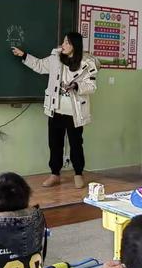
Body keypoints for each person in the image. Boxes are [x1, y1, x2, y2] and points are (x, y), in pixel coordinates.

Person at [12, 32, 99, 189]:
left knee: (76, 143)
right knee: (54, 143)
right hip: (56, 109)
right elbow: (38, 65)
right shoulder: (55, 59)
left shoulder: (87, 63)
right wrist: (23, 55)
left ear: (75, 46)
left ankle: (78, 173)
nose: (63, 45)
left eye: (67, 43)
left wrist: (76, 86)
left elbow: (92, 86)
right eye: (64, 42)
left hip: (75, 112)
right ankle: (55, 174)